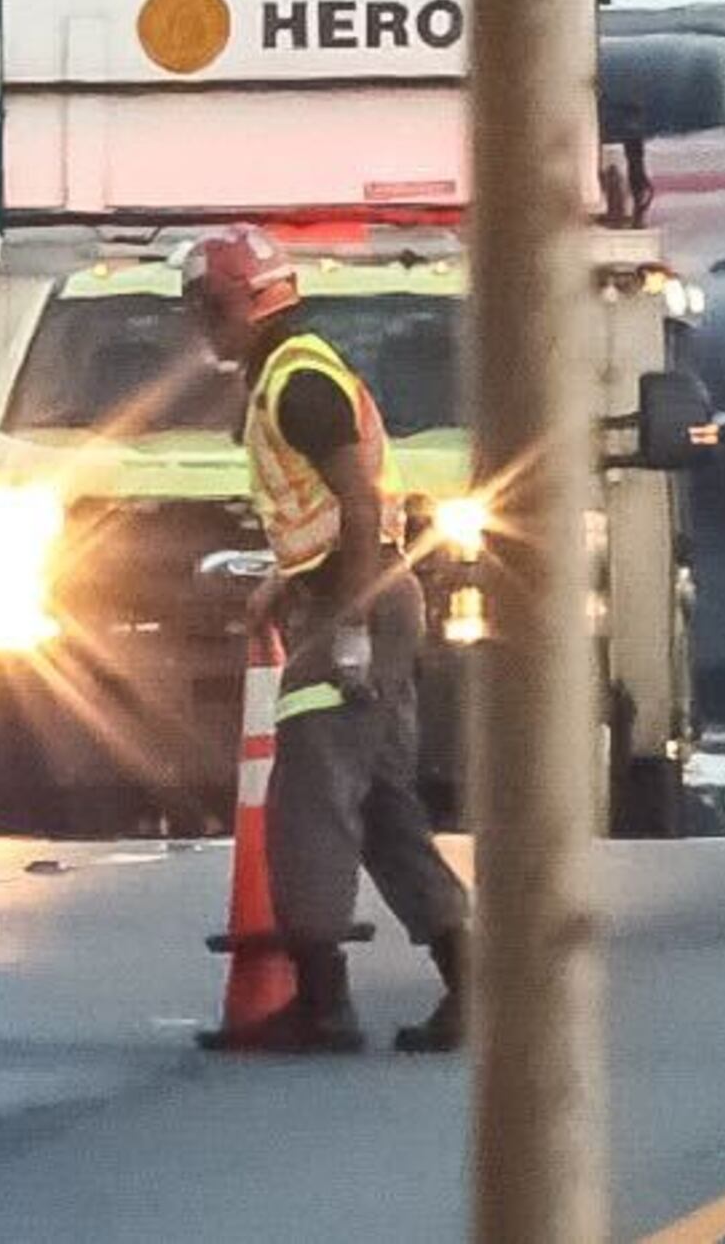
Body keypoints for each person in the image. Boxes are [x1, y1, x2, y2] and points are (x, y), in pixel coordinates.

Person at [182, 224, 471, 1055]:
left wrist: (344, 624)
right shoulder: (288, 371)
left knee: (307, 801)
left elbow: (359, 502)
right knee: (382, 808)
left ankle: (322, 1004)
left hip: (360, 608)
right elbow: (332, 511)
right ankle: (471, 979)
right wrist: (288, 577)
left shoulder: (300, 381)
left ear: (248, 302)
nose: (204, 325)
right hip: (361, 597)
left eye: (211, 306)